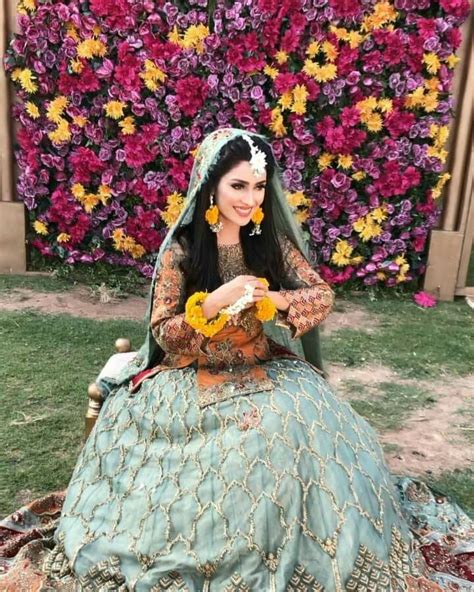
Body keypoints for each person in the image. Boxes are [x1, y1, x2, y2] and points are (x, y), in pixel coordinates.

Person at [0, 128, 472, 591]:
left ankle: (303, 555)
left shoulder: (267, 242)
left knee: (299, 421)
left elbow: (321, 295)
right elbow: (165, 330)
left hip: (260, 363)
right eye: (238, 186)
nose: (250, 200)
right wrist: (212, 302)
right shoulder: (183, 250)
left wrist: (277, 302)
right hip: (187, 374)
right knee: (243, 441)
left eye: (260, 186)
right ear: (211, 186)